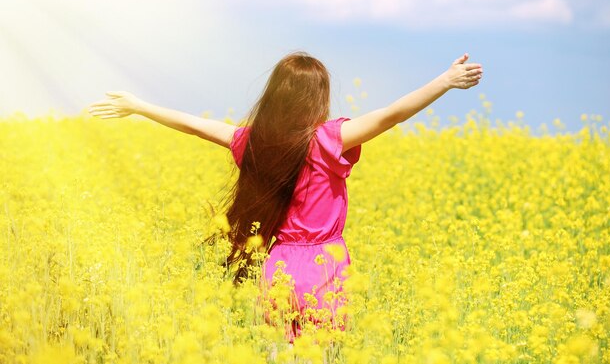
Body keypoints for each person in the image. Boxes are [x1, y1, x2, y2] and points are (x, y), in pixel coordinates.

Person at [87, 50, 483, 343]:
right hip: (323, 264)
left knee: (279, 353)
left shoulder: (251, 142)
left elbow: (196, 126)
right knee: (323, 353)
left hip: (277, 266)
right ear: (318, 97)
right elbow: (391, 114)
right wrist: (444, 81)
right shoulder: (329, 140)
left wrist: (138, 106)